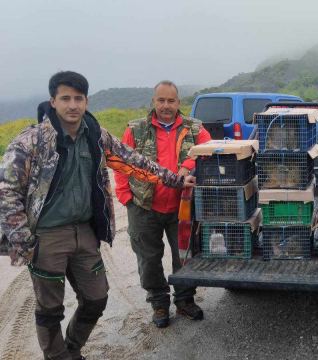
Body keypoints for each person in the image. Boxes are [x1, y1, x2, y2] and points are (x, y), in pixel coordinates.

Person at [0, 71, 196, 360]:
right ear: (53, 101)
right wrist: (24, 241)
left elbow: (134, 161)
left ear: (86, 101)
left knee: (96, 298)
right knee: (50, 308)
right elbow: (7, 190)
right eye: (65, 98)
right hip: (47, 235)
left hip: (85, 231)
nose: (72, 105)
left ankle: (72, 347)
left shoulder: (95, 134)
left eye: (78, 98)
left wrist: (176, 180)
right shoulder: (31, 141)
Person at [114, 80, 211, 328]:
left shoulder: (195, 129)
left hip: (184, 208)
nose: (166, 105)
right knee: (148, 260)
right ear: (153, 102)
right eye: (161, 100)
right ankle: (158, 303)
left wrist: (187, 166)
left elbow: (208, 154)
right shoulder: (135, 129)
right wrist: (126, 197)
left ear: (179, 103)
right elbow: (121, 164)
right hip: (144, 207)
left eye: (171, 100)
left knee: (186, 257)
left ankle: (185, 300)